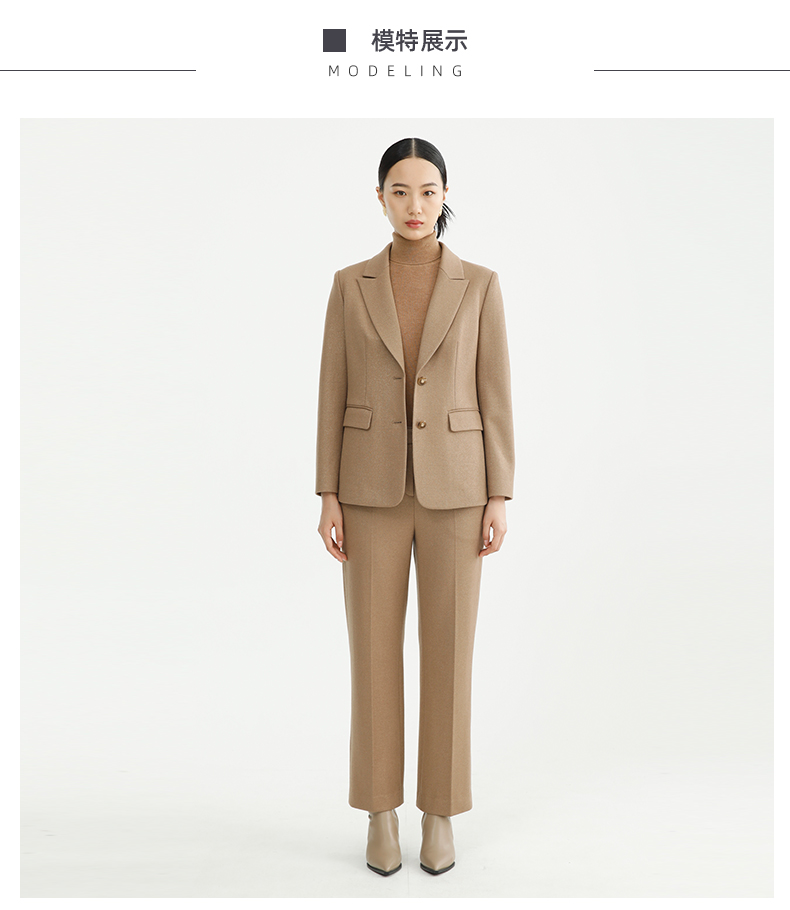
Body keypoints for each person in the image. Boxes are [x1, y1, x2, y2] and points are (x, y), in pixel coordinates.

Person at [315, 137, 515, 876]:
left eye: (428, 191)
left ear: (445, 195)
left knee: (449, 654)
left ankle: (440, 813)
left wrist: (499, 493)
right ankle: (379, 812)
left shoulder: (480, 285)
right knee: (372, 654)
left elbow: (495, 393)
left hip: (457, 490)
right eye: (399, 191)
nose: (414, 205)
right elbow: (332, 389)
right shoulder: (350, 284)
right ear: (380, 198)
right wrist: (327, 491)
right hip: (368, 491)